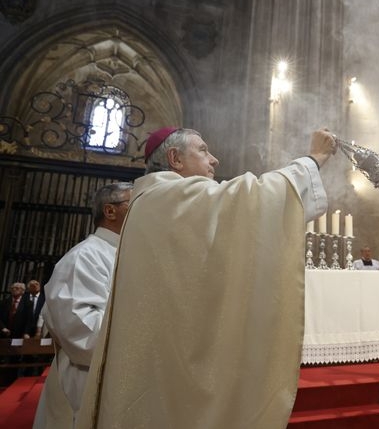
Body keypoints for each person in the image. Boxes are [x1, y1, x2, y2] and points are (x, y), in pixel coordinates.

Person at [75, 127, 336, 429]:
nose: (214, 159)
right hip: (163, 367)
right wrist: (313, 158)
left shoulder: (153, 200)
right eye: (202, 150)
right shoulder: (167, 195)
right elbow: (254, 199)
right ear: (175, 158)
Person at [33, 182, 133, 429]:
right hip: (84, 386)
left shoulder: (124, 254)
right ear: (110, 211)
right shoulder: (85, 257)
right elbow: (83, 336)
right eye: (134, 204)